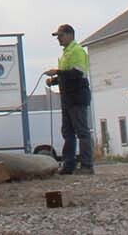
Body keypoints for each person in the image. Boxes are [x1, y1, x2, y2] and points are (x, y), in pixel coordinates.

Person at [42, 23, 93, 175]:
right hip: (68, 98)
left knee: (82, 132)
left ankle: (87, 165)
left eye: (60, 36)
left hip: (77, 97)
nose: (59, 39)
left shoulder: (77, 51)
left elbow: (77, 74)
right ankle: (68, 165)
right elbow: (67, 75)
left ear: (70, 35)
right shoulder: (66, 53)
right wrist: (55, 80)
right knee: (68, 133)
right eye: (58, 36)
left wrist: (57, 72)